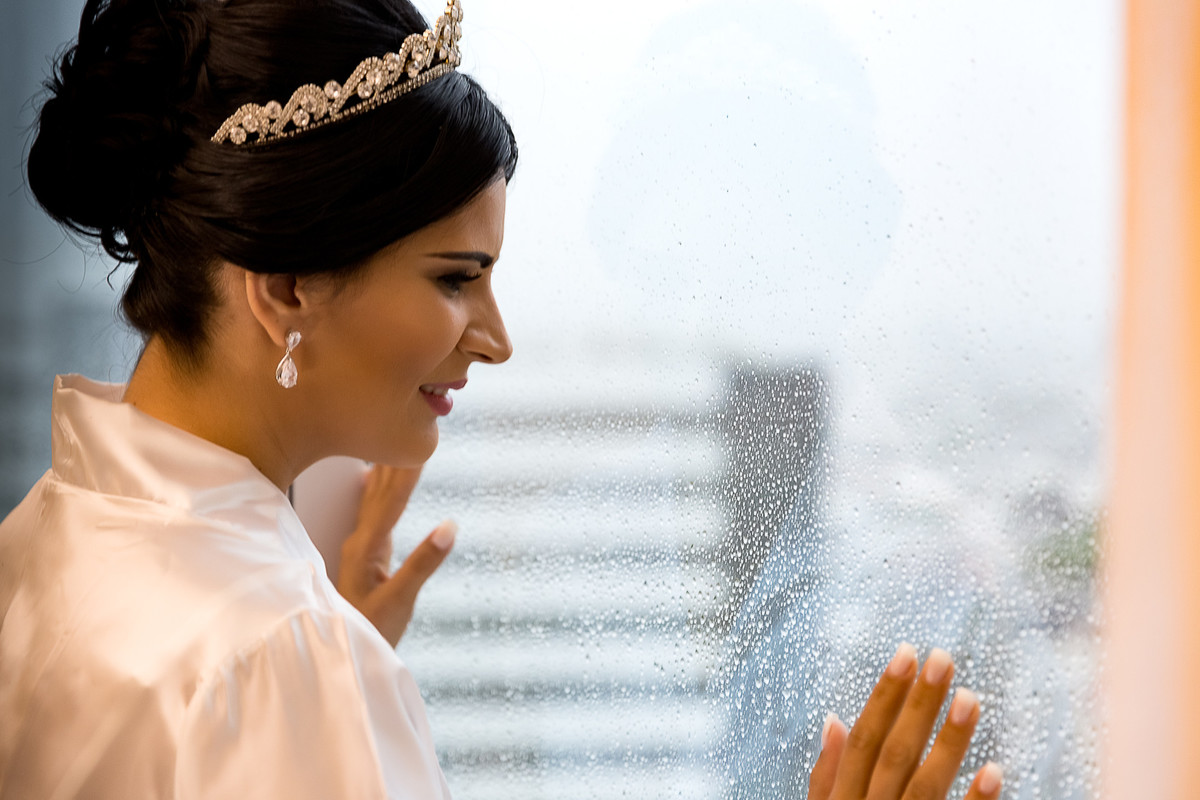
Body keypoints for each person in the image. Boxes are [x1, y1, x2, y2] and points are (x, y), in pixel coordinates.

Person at [0, 0, 1003, 797]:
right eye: (454, 278)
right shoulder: (276, 656)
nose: (496, 337)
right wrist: (317, 686)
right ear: (287, 286)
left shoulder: (46, 536)